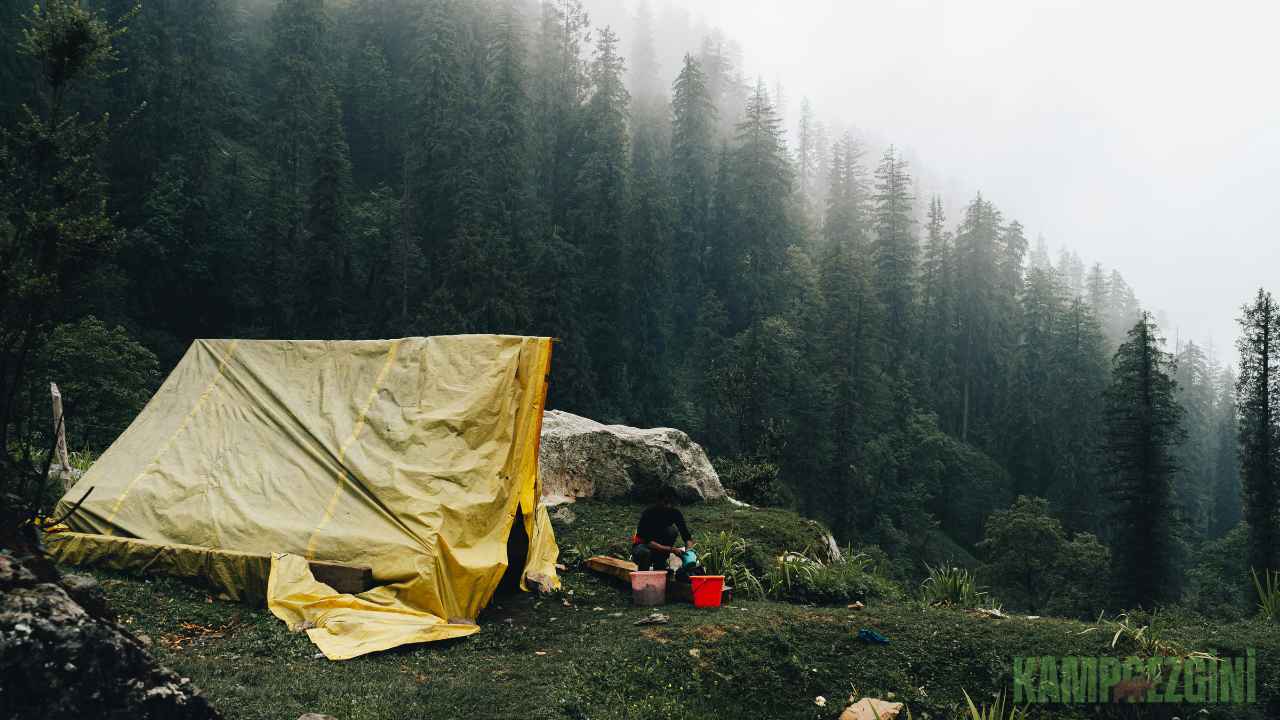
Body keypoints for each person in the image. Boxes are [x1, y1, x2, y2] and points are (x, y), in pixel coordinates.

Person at [630, 488, 695, 571]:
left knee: (672, 531)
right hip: (641, 547)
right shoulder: (649, 513)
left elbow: (686, 536)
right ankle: (643, 574)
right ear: (658, 501)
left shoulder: (675, 513)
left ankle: (660, 565)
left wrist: (689, 551)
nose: (669, 506)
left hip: (659, 548)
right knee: (645, 553)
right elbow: (647, 541)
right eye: (666, 502)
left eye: (671, 503)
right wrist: (672, 550)